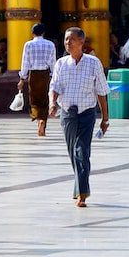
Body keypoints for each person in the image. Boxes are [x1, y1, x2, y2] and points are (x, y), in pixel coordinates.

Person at [48, 26, 109, 208]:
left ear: (82, 42)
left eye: (72, 39)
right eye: (66, 40)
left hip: (86, 113)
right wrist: (52, 103)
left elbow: (101, 92)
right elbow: (55, 86)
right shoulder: (60, 64)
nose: (68, 43)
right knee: (72, 152)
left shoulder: (93, 63)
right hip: (68, 113)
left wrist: (105, 119)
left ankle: (82, 193)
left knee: (82, 151)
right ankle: (80, 188)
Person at [18, 22, 57, 137]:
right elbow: (53, 63)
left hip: (33, 75)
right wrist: (54, 76)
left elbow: (25, 62)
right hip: (45, 75)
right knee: (45, 99)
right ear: (43, 33)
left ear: (32, 33)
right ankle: (43, 122)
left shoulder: (28, 45)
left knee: (34, 100)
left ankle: (38, 120)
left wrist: (22, 78)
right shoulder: (50, 45)